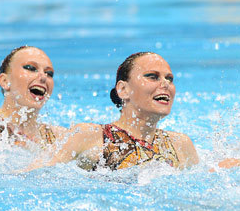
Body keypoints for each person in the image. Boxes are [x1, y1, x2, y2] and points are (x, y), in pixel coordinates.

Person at [29, 52, 198, 171]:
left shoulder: (180, 144)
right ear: (123, 89)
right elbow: (37, 174)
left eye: (169, 79)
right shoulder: (90, 136)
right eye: (152, 77)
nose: (165, 84)